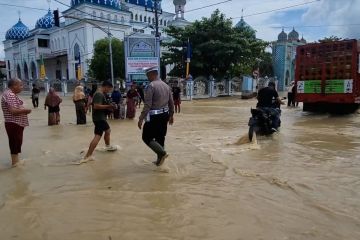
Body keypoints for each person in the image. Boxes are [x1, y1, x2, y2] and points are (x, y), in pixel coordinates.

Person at [138, 66, 174, 166]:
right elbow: (171, 102)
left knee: (146, 137)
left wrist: (141, 118)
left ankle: (162, 153)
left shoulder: (151, 86)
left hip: (154, 116)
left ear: (152, 74)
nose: (147, 77)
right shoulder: (166, 86)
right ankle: (159, 162)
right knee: (160, 137)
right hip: (164, 115)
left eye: (147, 75)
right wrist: (171, 115)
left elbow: (148, 104)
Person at [83, 81, 117, 162]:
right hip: (99, 118)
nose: (108, 91)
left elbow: (94, 103)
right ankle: (88, 155)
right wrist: (109, 106)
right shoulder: (99, 94)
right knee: (98, 135)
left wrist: (109, 105)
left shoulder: (99, 94)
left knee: (106, 131)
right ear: (106, 87)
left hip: (99, 118)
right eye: (109, 89)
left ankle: (106, 146)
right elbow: (96, 106)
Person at [1, 79, 32, 167]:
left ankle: (16, 161)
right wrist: (26, 110)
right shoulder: (10, 94)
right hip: (13, 122)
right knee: (15, 142)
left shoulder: (10, 94)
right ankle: (15, 163)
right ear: (14, 86)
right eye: (21, 85)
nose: (22, 87)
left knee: (16, 141)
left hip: (15, 123)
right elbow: (13, 111)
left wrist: (23, 110)